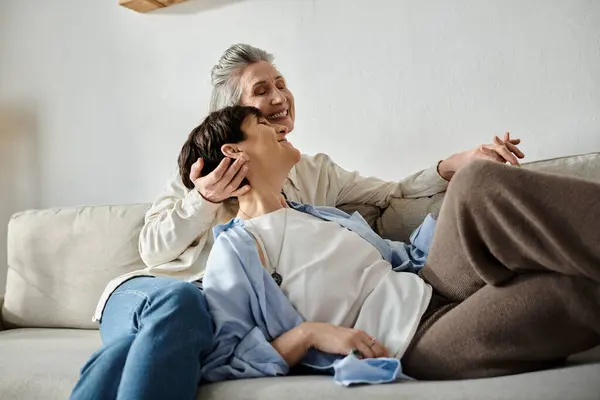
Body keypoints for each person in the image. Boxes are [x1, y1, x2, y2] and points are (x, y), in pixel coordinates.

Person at [70, 44, 524, 400]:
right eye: (260, 91)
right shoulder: (198, 174)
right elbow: (152, 249)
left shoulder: (311, 170)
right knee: (180, 305)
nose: (278, 97)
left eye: (280, 83)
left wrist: (454, 164)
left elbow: (390, 195)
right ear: (234, 115)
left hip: (207, 317)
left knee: (130, 356)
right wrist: (204, 199)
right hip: (154, 291)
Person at [184, 105, 600, 382]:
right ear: (233, 151)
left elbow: (399, 233)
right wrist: (309, 334)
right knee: (574, 292)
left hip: (433, 283)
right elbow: (225, 359)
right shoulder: (237, 249)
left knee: (474, 182)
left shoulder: (314, 212)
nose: (280, 127)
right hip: (416, 338)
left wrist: (459, 187)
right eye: (263, 126)